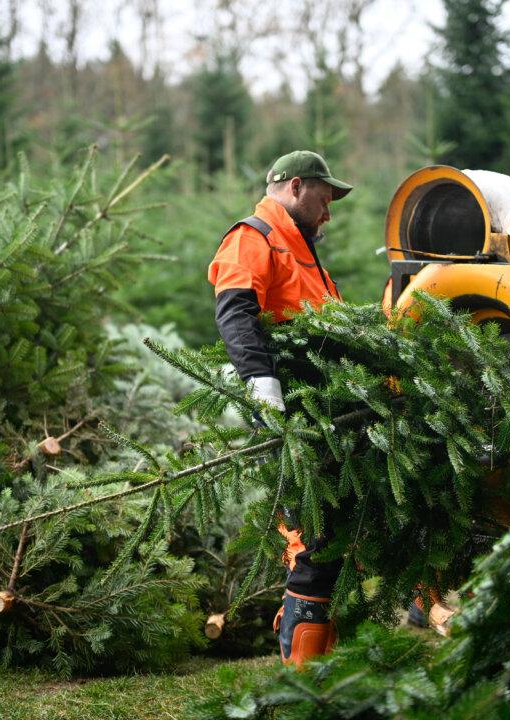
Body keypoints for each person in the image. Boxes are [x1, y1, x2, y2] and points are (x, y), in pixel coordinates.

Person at [207, 150, 352, 667]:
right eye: (323, 199)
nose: (328, 213)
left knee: (330, 532)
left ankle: (317, 663)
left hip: (325, 408)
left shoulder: (300, 246)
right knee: (315, 537)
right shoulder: (253, 237)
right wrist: (262, 383)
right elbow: (236, 310)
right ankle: (302, 675)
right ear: (294, 186)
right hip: (290, 410)